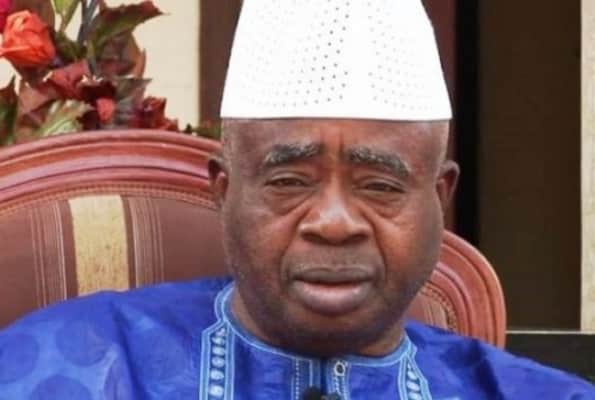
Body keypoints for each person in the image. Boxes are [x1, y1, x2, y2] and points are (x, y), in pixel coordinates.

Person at [0, 1, 594, 399]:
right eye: (289, 181)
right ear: (224, 190)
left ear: (440, 198)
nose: (333, 224)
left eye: (380, 186)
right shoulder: (64, 365)